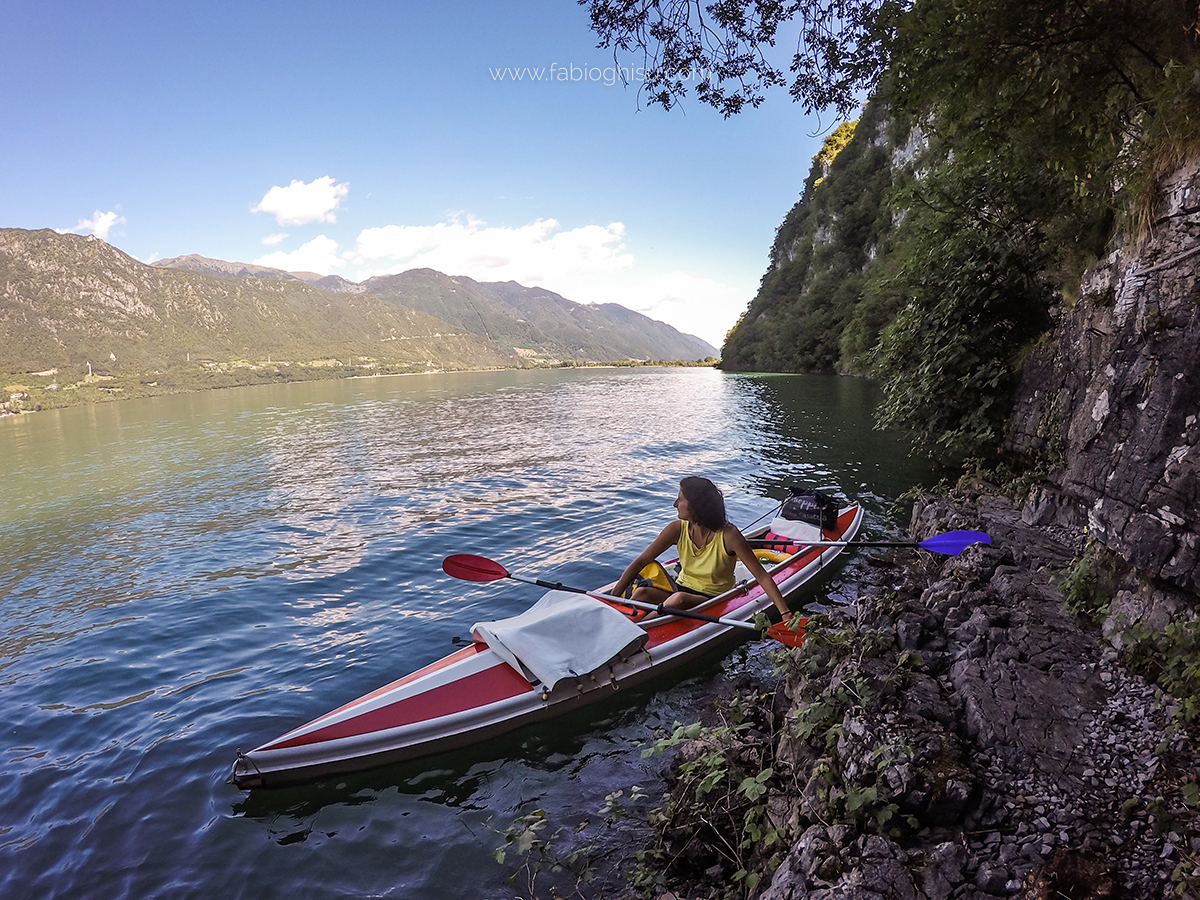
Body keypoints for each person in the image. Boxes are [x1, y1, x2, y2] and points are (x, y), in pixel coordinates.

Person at [610, 476, 792, 619]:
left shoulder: (729, 535)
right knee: (641, 592)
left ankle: (641, 630)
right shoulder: (677, 529)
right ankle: (618, 619)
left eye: (680, 499)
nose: (675, 504)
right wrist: (613, 598)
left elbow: (761, 576)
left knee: (678, 600)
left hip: (713, 598)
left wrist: (785, 613)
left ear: (696, 506)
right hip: (679, 588)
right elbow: (642, 560)